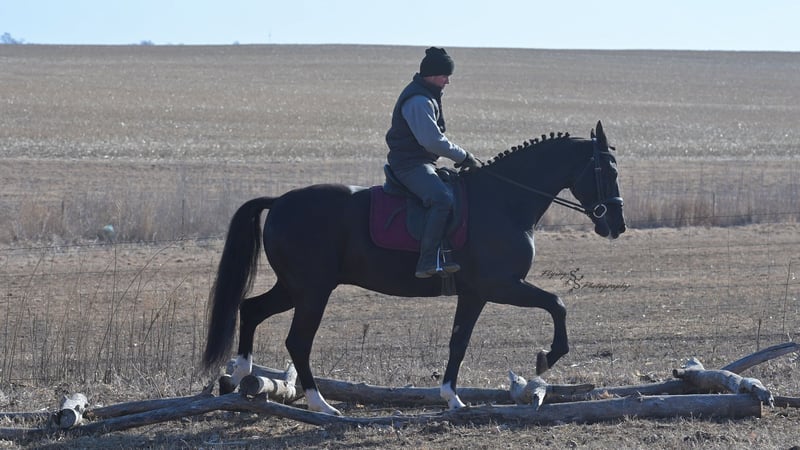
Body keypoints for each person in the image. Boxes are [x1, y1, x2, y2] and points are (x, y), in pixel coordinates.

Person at [385, 47, 479, 278]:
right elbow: (431, 141)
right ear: (431, 74)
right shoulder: (418, 100)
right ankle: (427, 261)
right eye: (444, 75)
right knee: (441, 199)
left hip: (420, 163)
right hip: (409, 165)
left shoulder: (426, 95)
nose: (447, 81)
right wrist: (464, 156)